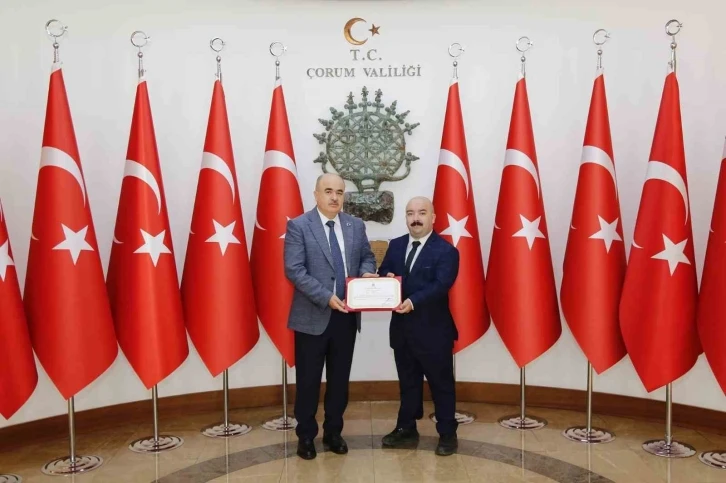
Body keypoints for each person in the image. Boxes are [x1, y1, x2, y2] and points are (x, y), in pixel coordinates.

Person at [284, 173, 378, 460]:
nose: (335, 197)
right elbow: (294, 269)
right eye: (328, 191)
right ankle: (306, 436)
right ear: (316, 194)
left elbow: (367, 257)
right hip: (312, 317)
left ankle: (334, 432)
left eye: (339, 192)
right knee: (308, 381)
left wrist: (365, 273)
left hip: (346, 317)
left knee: (339, 381)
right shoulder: (299, 226)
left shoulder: (355, 225)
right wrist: (326, 296)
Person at [377, 196, 460, 456]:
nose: (415, 218)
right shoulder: (396, 245)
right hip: (402, 332)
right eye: (410, 213)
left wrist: (413, 302)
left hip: (434, 332)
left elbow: (441, 285)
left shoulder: (446, 251)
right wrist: (385, 278)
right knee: (408, 383)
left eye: (422, 213)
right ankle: (406, 428)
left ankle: (447, 433)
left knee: (441, 385)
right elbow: (384, 272)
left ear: (433, 217)